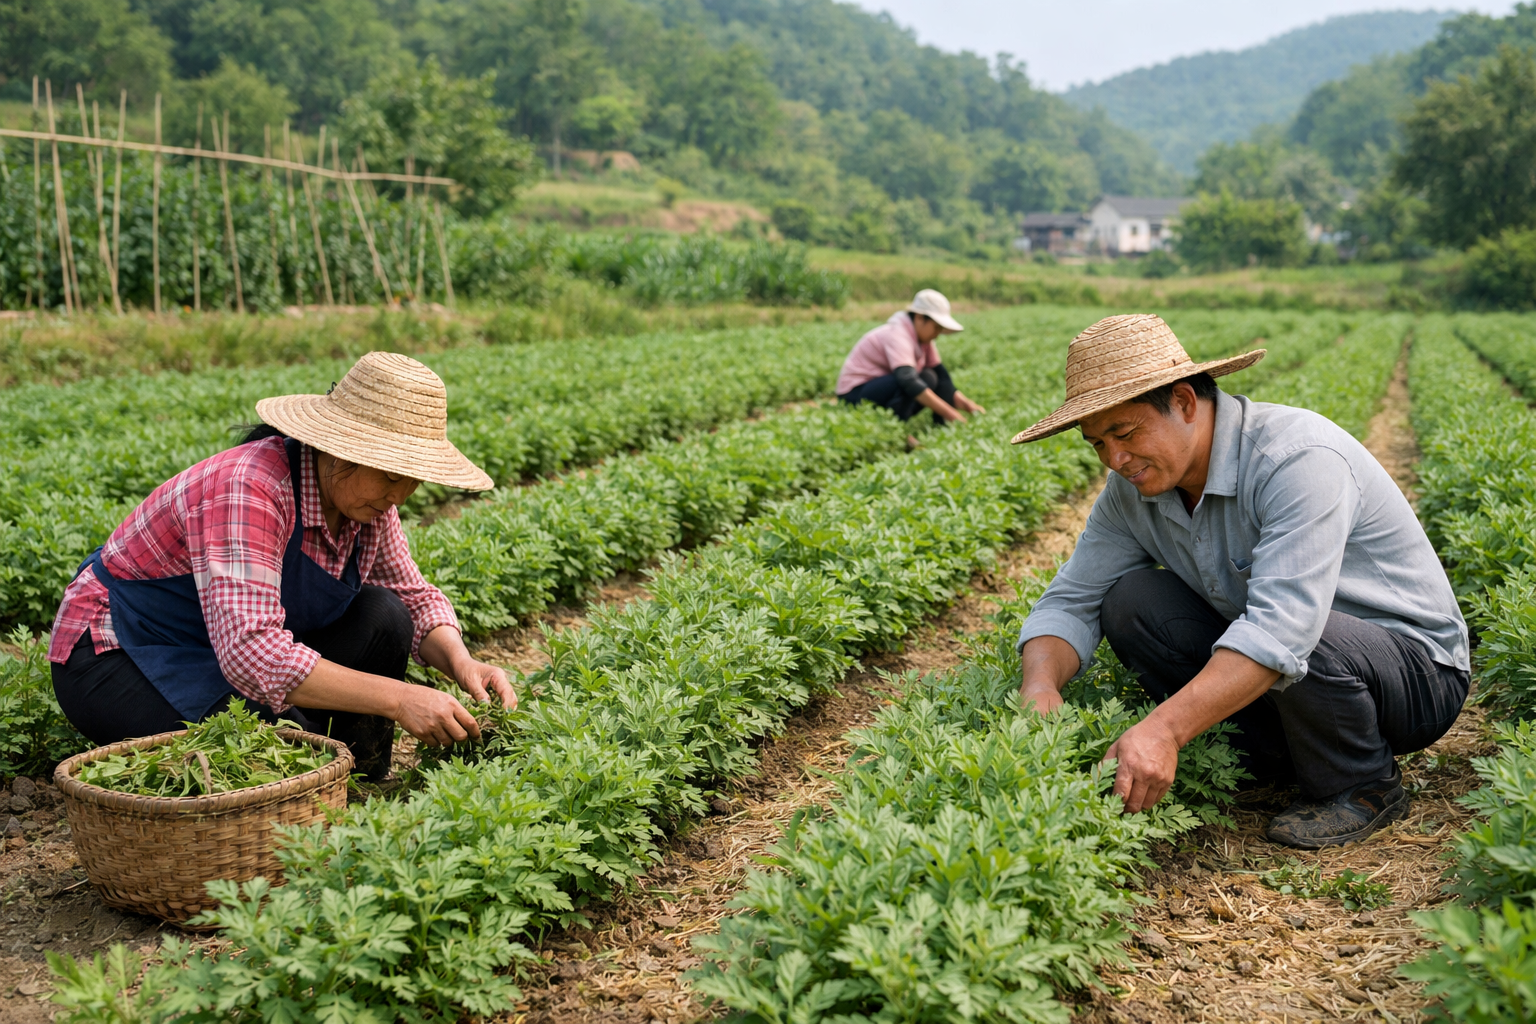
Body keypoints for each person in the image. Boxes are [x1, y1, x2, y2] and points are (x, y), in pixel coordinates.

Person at [1009, 314, 1469, 849]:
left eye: (1125, 433)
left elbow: (1282, 629)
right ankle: (1268, 757)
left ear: (1183, 402)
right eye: (1097, 444)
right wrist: (1039, 685)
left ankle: (1362, 784)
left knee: (1301, 631)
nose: (1115, 459)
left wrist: (1163, 729)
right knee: (1131, 601)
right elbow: (1073, 598)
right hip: (1290, 665)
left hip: (1410, 673)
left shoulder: (1296, 458)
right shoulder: (1131, 491)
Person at [48, 351, 515, 780]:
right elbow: (252, 653)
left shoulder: (366, 503)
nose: (399, 495)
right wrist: (399, 698)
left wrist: (461, 661)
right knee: (277, 748)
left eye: (411, 480)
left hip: (220, 649)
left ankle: (357, 783)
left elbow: (413, 597)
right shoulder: (249, 489)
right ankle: (319, 773)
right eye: (391, 475)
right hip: (119, 654)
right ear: (340, 450)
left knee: (385, 615)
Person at [836, 289, 986, 427]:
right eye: (936, 327)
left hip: (877, 387)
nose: (937, 334)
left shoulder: (923, 339)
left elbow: (942, 378)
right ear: (920, 318)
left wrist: (968, 406)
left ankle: (940, 425)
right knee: (918, 380)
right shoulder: (898, 333)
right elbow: (907, 380)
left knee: (931, 376)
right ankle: (893, 427)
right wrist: (953, 415)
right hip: (853, 394)